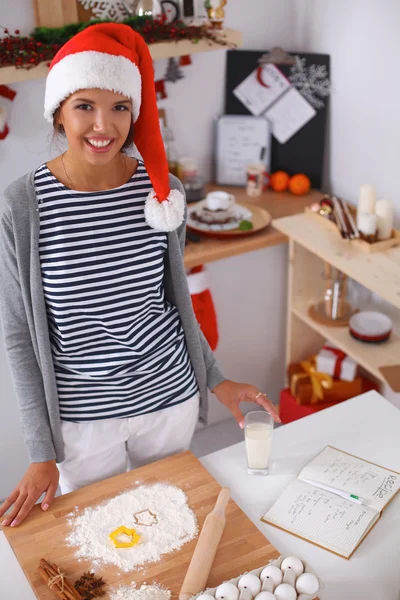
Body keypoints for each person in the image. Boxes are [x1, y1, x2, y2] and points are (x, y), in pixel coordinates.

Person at [0, 23, 280, 528]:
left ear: (135, 111)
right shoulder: (22, 205)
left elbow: (175, 304)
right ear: (59, 110)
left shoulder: (161, 191)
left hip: (169, 399)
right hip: (83, 422)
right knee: (102, 536)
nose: (103, 125)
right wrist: (41, 449)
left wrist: (215, 379)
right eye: (84, 105)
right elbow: (19, 335)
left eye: (120, 107)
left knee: (170, 526)